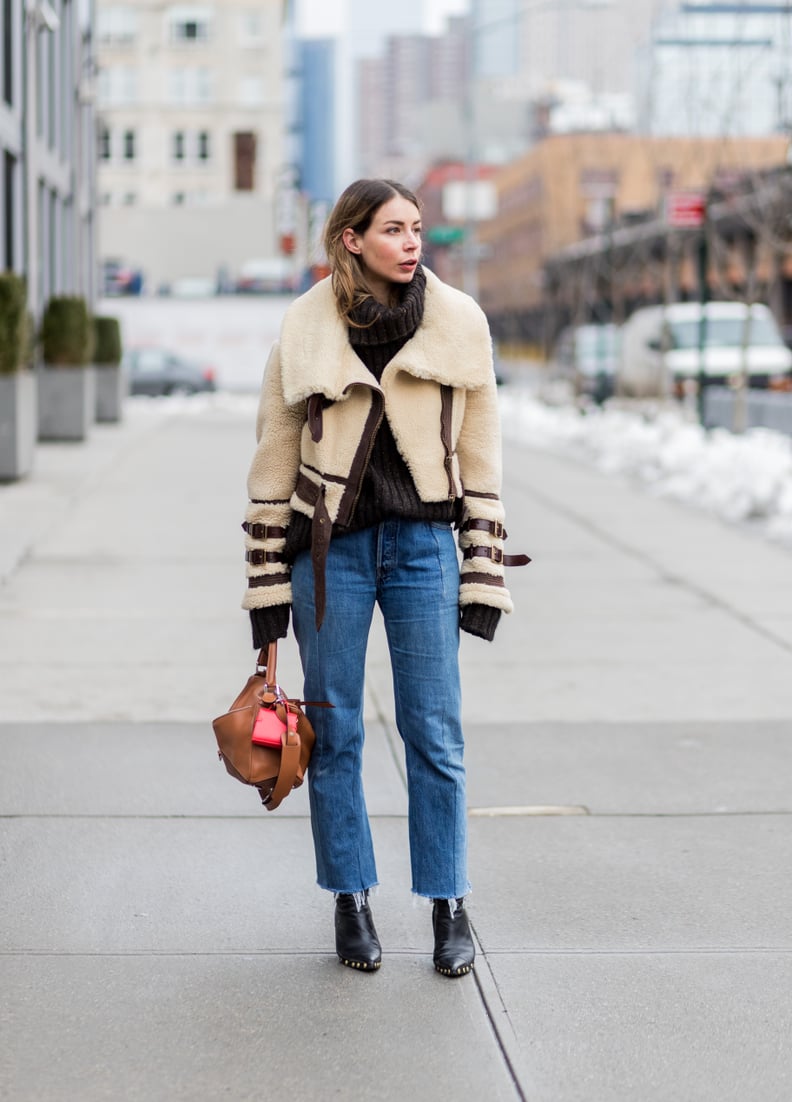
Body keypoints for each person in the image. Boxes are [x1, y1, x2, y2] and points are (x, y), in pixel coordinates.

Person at [241, 178, 527, 977]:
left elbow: (479, 455)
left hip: (424, 549)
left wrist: (484, 571)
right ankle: (351, 898)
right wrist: (265, 587)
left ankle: (448, 904)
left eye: (418, 228)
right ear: (351, 239)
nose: (412, 242)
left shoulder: (458, 325)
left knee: (435, 733)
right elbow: (272, 460)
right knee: (334, 734)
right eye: (394, 229)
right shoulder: (303, 331)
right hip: (328, 558)